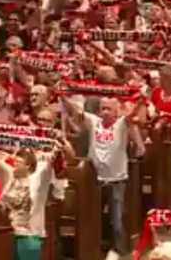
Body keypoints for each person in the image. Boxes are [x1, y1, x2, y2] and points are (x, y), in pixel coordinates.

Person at [71, 96, 146, 260]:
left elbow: (131, 115)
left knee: (116, 220)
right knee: (92, 216)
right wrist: (62, 97)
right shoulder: (94, 121)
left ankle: (122, 252)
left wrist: (140, 101)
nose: (104, 112)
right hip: (95, 180)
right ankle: (94, 250)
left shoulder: (121, 124)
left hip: (117, 180)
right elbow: (77, 111)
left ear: (116, 111)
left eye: (108, 109)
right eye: (102, 108)